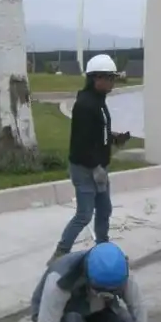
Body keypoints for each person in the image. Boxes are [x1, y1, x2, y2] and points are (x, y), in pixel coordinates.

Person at [51, 54, 131, 263]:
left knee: (104, 209)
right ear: (97, 78)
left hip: (98, 168)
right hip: (86, 169)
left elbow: (98, 131)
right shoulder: (86, 105)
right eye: (109, 78)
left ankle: (102, 251)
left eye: (113, 78)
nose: (113, 82)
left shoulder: (98, 100)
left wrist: (113, 138)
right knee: (84, 214)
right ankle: (60, 253)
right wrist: (96, 167)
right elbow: (81, 143)